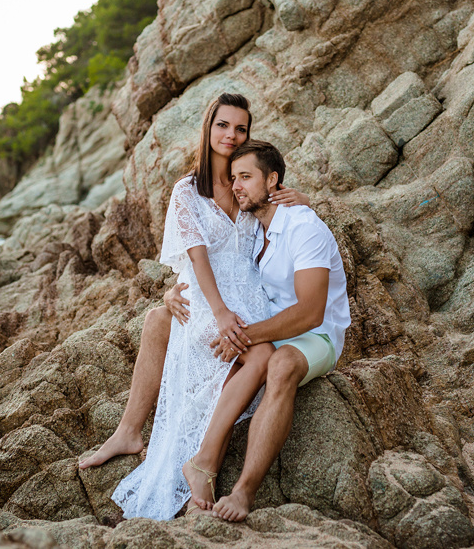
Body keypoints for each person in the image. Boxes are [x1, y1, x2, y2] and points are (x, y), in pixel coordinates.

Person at [77, 93, 307, 520]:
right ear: (208, 127)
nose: (231, 135)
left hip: (249, 294)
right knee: (180, 324)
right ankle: (150, 442)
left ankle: (197, 456)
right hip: (208, 296)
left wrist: (302, 201)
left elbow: (287, 223)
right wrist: (217, 312)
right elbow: (197, 257)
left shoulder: (247, 183)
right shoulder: (187, 190)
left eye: (240, 128)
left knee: (258, 352)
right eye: (223, 125)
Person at [207, 140, 350, 522]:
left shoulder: (305, 228)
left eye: (246, 177)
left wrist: (246, 335)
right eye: (233, 178)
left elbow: (310, 312)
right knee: (214, 357)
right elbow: (207, 263)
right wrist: (174, 293)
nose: (237, 186)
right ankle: (201, 472)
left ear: (272, 180)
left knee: (281, 364)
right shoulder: (252, 227)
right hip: (269, 329)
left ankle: (243, 492)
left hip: (317, 334)